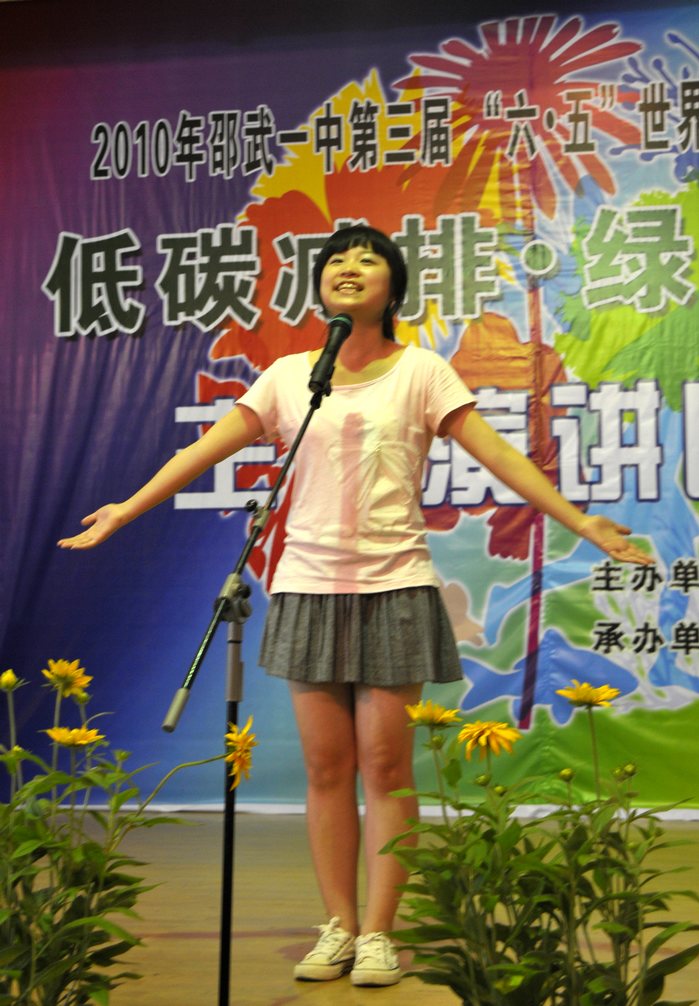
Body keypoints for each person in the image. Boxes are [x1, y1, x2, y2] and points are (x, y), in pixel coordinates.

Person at [58, 224, 652, 988]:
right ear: (318, 285)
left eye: (367, 259)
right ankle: (337, 924)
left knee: (386, 766)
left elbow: (503, 456)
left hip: (394, 586)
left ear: (392, 287)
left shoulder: (423, 372)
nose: (348, 267)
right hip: (307, 586)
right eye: (336, 259)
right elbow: (203, 450)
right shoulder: (289, 378)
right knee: (326, 767)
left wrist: (580, 521)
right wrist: (126, 508)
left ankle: (378, 932)